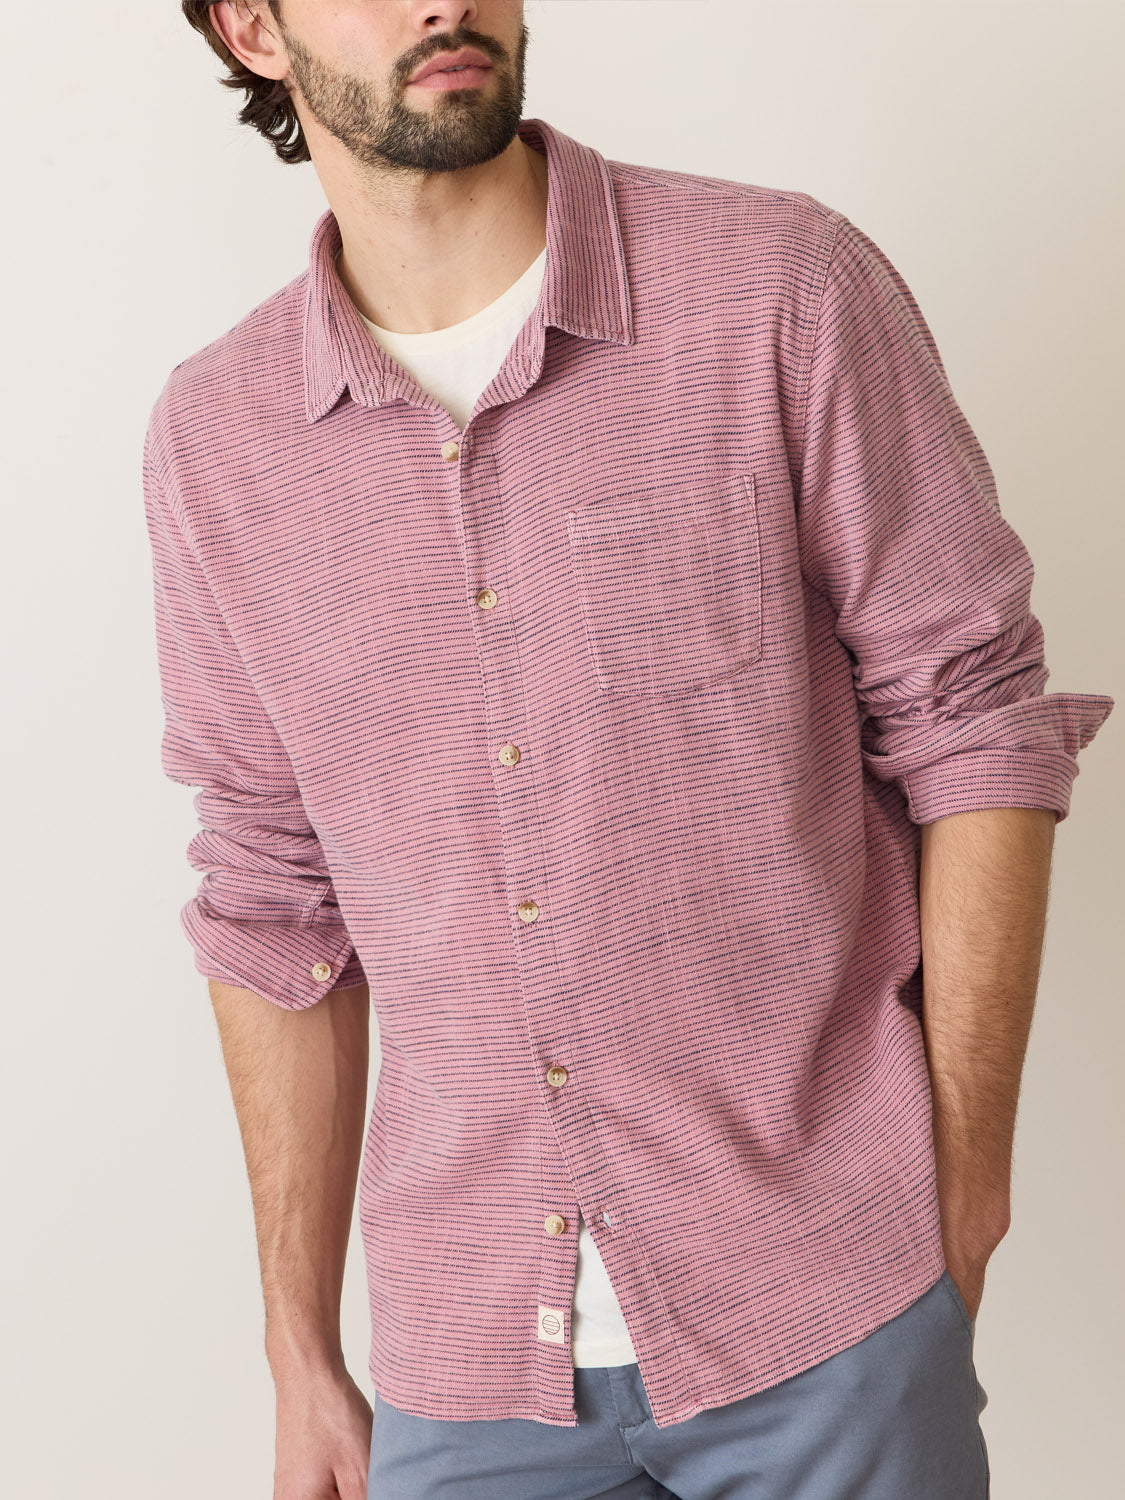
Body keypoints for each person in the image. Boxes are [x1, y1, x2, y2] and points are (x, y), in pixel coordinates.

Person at [146, 4, 1114, 1497]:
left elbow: (972, 717)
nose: (442, 0)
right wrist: (299, 1351)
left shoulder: (777, 288)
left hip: (827, 1301)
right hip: (462, 1366)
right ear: (255, 29)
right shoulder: (219, 439)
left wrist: (962, 1189)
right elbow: (274, 905)